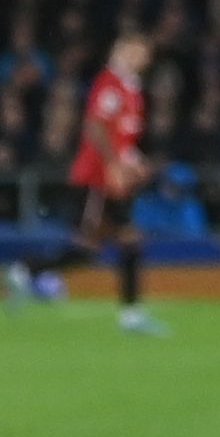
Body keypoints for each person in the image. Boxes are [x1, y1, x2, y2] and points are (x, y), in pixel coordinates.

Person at [66, 30, 165, 336]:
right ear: (120, 51)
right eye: (137, 51)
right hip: (98, 179)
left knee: (109, 245)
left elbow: (121, 138)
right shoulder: (110, 84)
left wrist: (136, 163)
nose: (143, 58)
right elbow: (95, 127)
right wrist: (114, 165)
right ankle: (131, 315)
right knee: (100, 246)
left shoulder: (131, 89)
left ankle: (26, 273)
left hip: (114, 180)